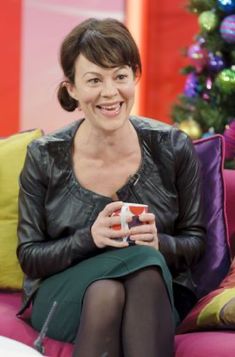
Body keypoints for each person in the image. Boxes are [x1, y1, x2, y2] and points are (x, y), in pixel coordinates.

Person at [17, 18, 206, 357]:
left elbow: (195, 241)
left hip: (155, 294)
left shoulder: (173, 147)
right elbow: (30, 257)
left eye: (120, 76)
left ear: (135, 76)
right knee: (128, 275)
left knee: (128, 280)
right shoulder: (45, 156)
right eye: (94, 80)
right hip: (65, 293)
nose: (110, 92)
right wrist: (90, 239)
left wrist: (157, 242)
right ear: (72, 88)